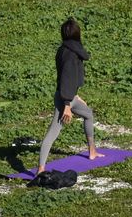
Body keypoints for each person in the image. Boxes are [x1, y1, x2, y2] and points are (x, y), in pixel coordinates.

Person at [37, 17, 101, 175]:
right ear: (77, 34)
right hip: (65, 99)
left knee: (88, 114)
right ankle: (41, 169)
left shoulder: (65, 50)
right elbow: (67, 78)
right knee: (53, 132)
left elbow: (73, 77)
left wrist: (75, 96)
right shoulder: (70, 54)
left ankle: (92, 151)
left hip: (70, 97)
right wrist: (67, 105)